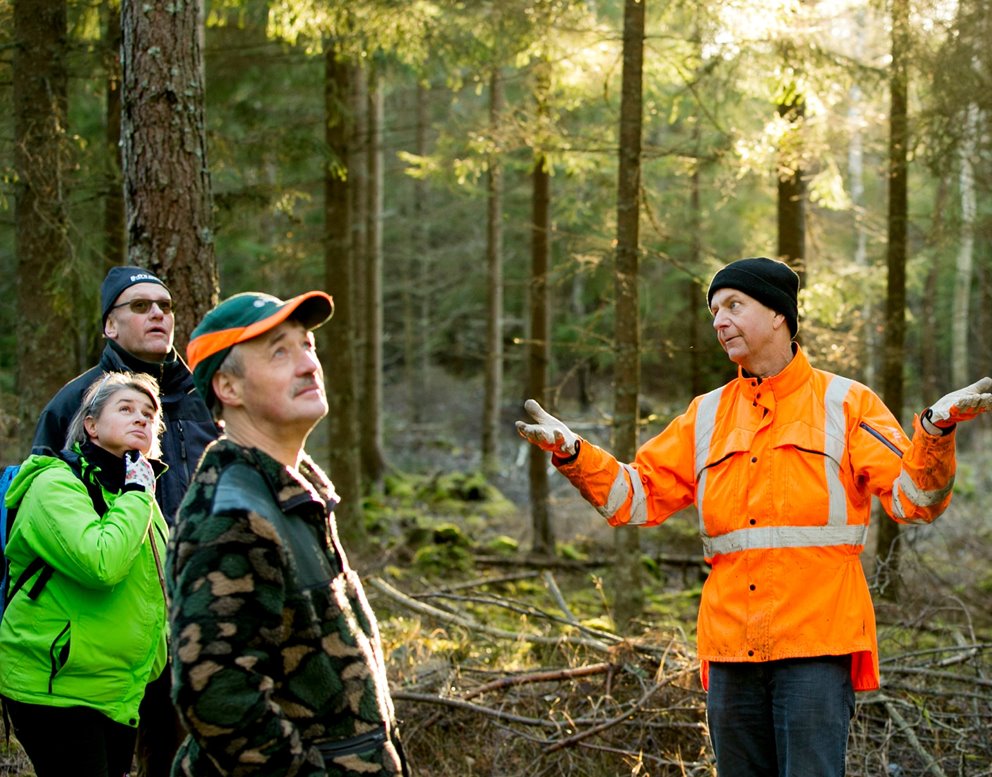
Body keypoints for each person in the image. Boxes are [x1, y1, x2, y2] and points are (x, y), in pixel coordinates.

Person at [516, 256, 992, 777]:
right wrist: (572, 451)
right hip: (729, 650)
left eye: (734, 306)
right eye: (714, 310)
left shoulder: (847, 403)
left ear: (779, 316)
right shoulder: (706, 414)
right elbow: (635, 497)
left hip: (818, 643)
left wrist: (935, 429)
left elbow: (914, 502)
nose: (719, 321)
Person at [168, 290, 408, 777]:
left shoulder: (290, 493)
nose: (307, 365)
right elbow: (216, 692)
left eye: (308, 346)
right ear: (229, 389)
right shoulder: (234, 512)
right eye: (280, 352)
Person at [31, 265, 216, 777]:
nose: (158, 313)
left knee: (185, 751)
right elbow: (49, 510)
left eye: (165, 305)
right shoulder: (78, 401)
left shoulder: (204, 397)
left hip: (200, 601)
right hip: (110, 613)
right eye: (140, 306)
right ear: (109, 326)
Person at [0, 372, 169, 777]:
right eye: (126, 409)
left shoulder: (136, 492)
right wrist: (137, 495)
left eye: (149, 414)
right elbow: (102, 564)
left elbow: (157, 585)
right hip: (57, 688)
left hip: (118, 689)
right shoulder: (54, 485)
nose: (141, 419)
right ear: (90, 426)